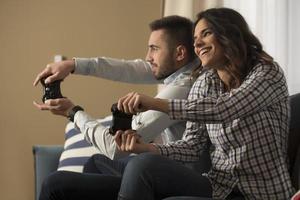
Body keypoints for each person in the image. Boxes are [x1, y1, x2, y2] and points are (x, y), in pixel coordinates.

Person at [115, 8, 295, 199]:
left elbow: (224, 109)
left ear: (229, 34)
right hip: (219, 188)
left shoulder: (267, 72)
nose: (197, 43)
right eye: (195, 39)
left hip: (263, 194)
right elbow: (192, 146)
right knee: (141, 165)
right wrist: (147, 149)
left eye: (206, 33)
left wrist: (156, 103)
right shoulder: (204, 82)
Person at [36, 15, 203, 200]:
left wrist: (73, 112)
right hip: (163, 168)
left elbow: (115, 148)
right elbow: (128, 68)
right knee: (95, 163)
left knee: (55, 184)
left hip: (172, 180)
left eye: (154, 49)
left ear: (180, 53)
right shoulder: (180, 70)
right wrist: (72, 64)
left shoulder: (183, 87)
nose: (148, 57)